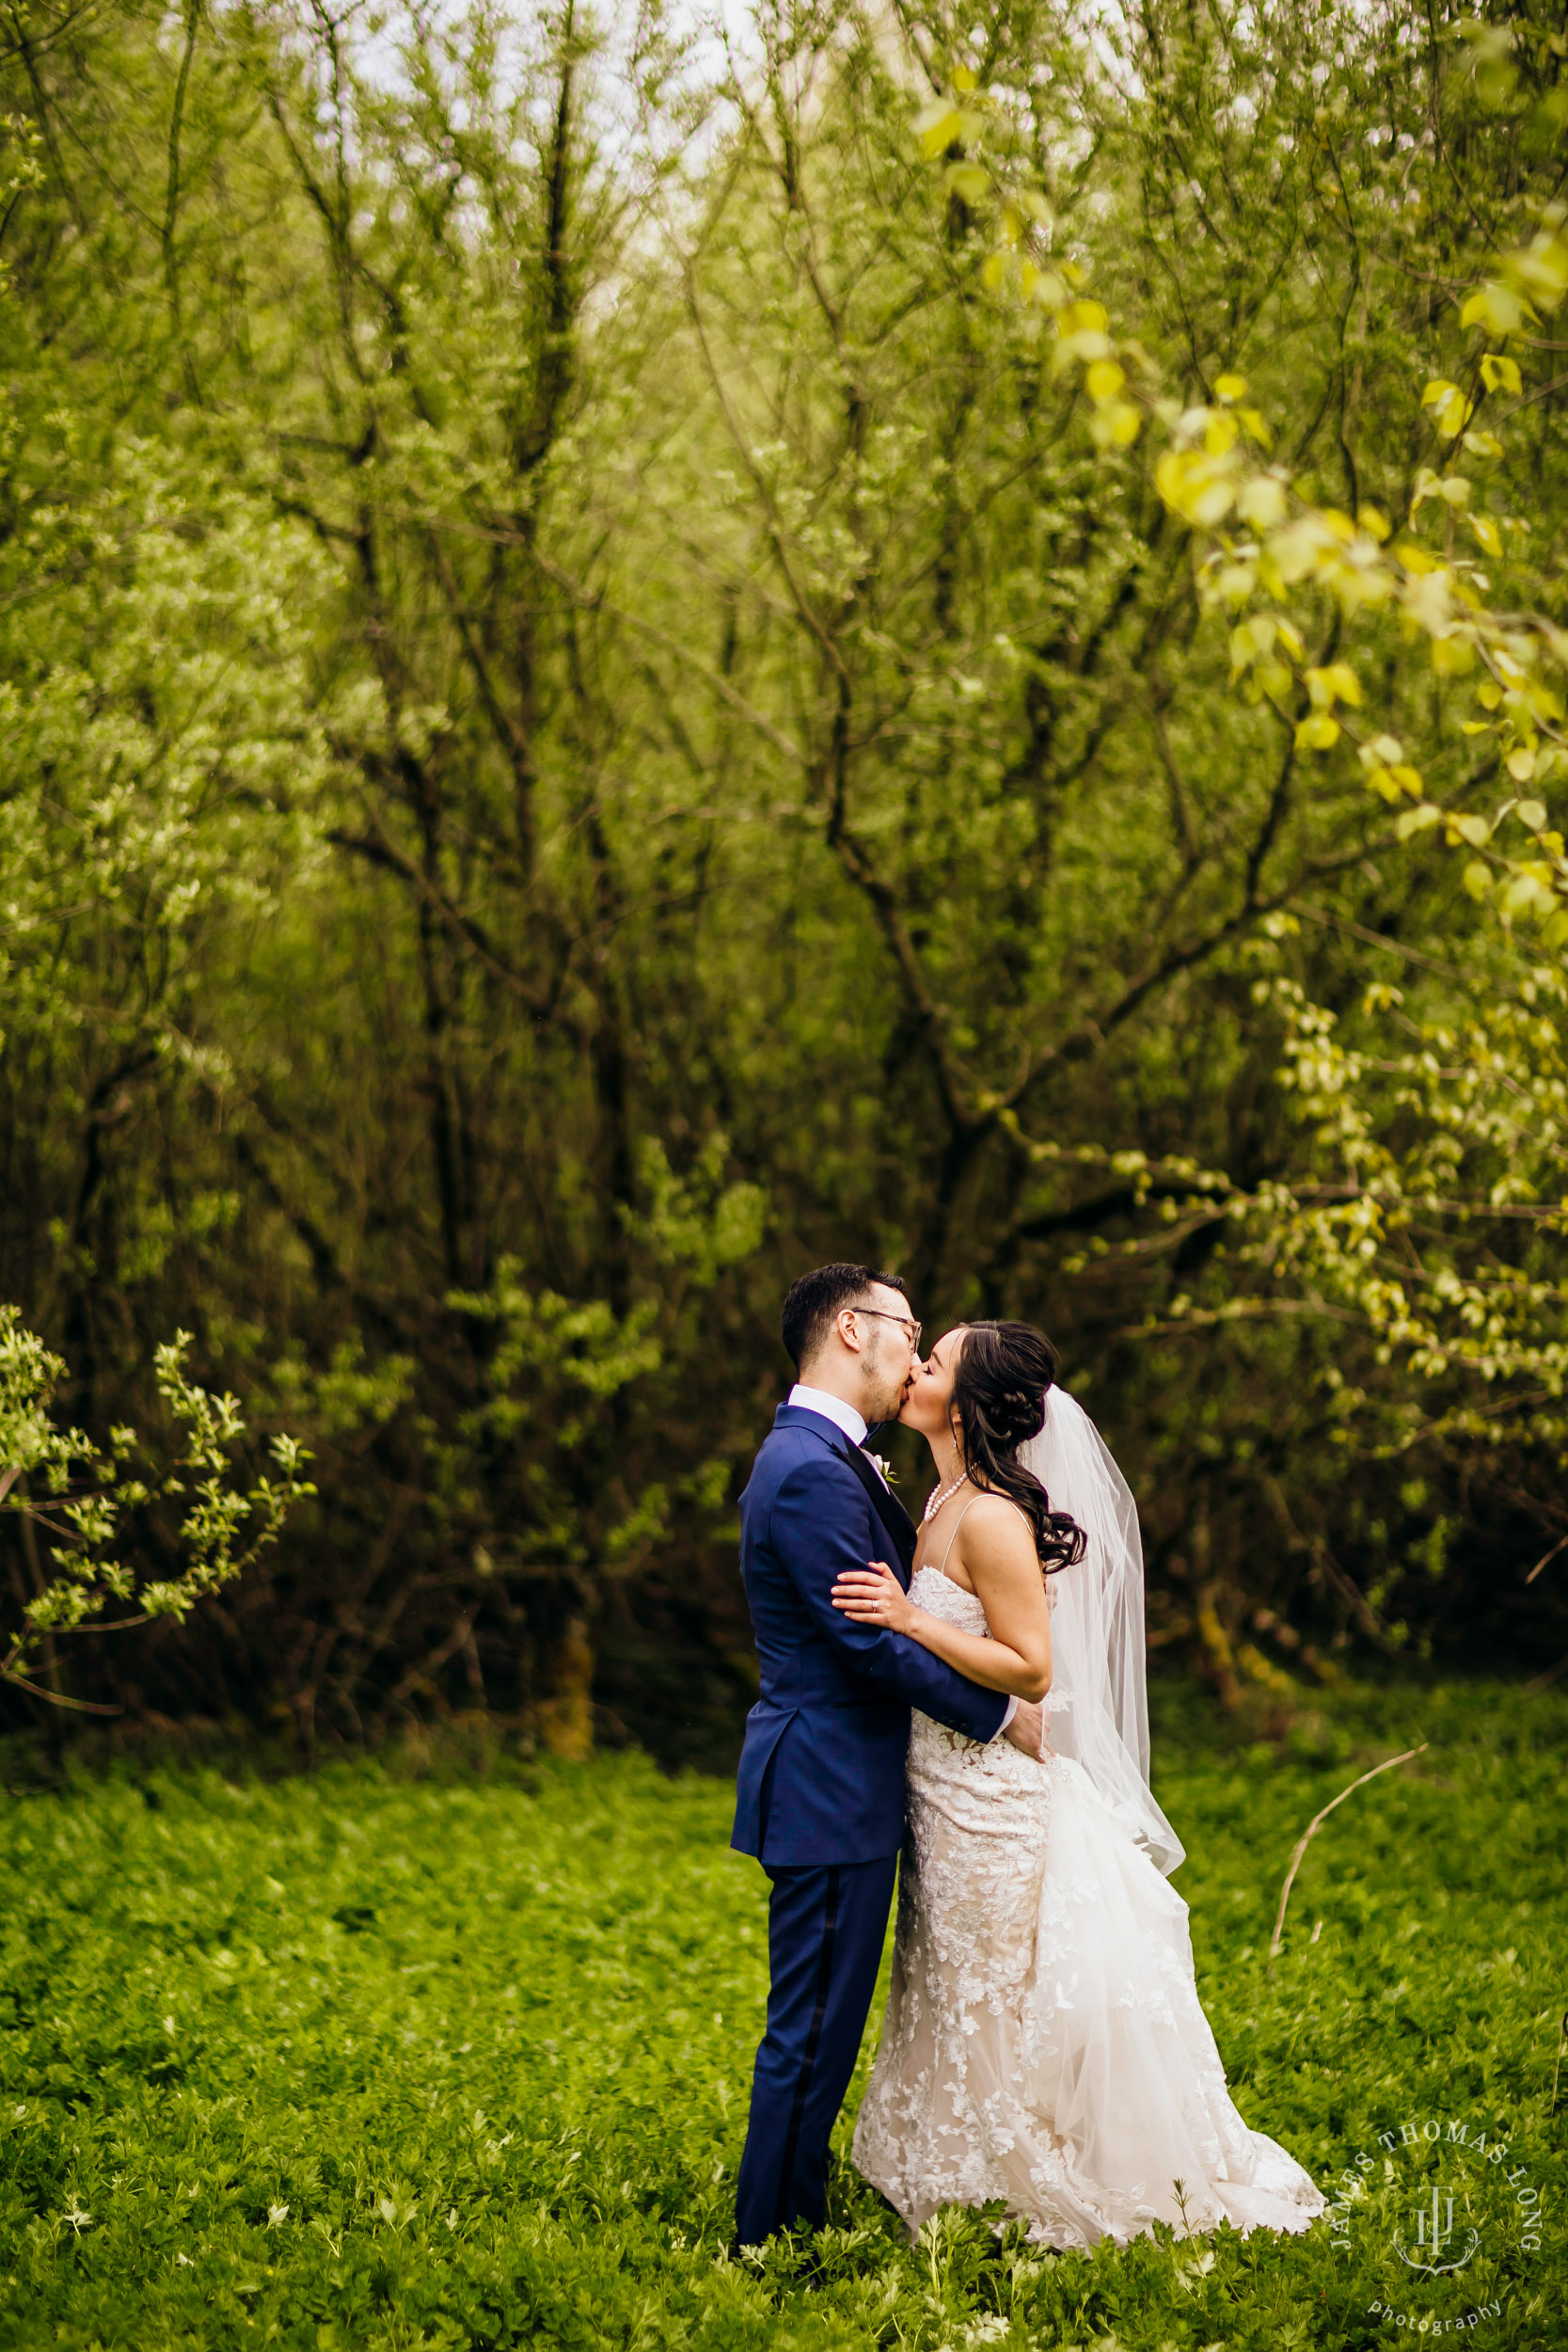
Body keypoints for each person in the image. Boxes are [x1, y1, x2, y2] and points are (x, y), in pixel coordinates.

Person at [832, 1319, 1325, 2247]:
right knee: (943, 1978)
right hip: (939, 1787)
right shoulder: (941, 1498)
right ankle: (947, 2174)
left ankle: (1017, 2183)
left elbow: (1030, 1668)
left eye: (931, 1361)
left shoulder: (988, 1516)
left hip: (989, 1801)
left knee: (988, 1985)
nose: (912, 1367)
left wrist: (908, 1618)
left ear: (966, 1401)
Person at [731, 1265, 1047, 2248]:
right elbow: (867, 1640)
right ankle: (770, 2241)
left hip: (850, 1783)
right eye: (908, 1331)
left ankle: (785, 2223)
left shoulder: (831, 1456)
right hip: (827, 1786)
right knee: (813, 2031)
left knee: (820, 2027)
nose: (914, 1354)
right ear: (850, 1328)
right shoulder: (811, 1468)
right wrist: (998, 1718)